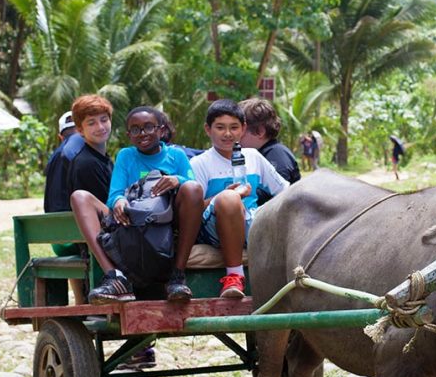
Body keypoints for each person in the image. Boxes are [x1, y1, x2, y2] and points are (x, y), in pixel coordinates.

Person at [72, 106, 203, 304]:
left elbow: (195, 186)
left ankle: (177, 276)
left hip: (165, 220)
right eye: (135, 130)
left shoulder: (176, 155)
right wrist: (119, 200)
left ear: (161, 130)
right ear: (129, 135)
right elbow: (114, 194)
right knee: (79, 197)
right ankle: (114, 277)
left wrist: (177, 180)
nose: (143, 133)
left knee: (192, 188)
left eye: (149, 127)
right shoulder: (126, 155)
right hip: (131, 220)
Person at [191, 99, 289, 298]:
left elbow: (285, 191)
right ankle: (234, 276)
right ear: (208, 129)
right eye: (220, 127)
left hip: (252, 222)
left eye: (234, 127)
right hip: (216, 228)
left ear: (243, 129)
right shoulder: (200, 163)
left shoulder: (253, 157)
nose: (227, 133)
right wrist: (227, 195)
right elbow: (193, 209)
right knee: (228, 199)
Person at [238, 97, 300, 204]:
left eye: (239, 130)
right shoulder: (259, 154)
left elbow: (276, 195)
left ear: (260, 132)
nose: (234, 136)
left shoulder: (277, 154)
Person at [44, 111, 86, 213]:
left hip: (54, 216)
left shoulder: (54, 156)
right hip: (79, 215)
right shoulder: (84, 149)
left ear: (61, 137)